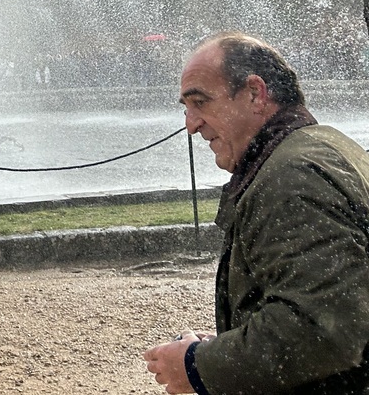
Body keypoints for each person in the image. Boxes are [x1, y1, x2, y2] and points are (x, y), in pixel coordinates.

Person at [144, 32, 369, 394]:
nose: (191, 123)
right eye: (186, 108)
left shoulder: (291, 178)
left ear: (254, 94)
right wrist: (215, 348)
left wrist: (197, 365)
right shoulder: (322, 146)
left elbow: (323, 328)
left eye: (200, 102)